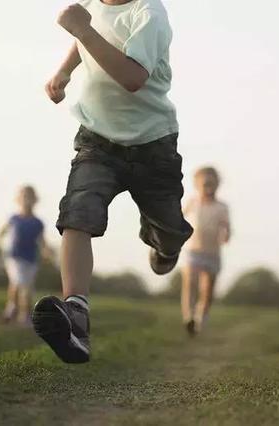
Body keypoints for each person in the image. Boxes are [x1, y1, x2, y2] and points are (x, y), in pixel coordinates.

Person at [32, 0, 193, 364]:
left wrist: (83, 29)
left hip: (153, 146)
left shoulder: (149, 14)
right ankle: (76, 314)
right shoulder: (89, 5)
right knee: (78, 212)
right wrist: (64, 71)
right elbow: (84, 36)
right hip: (97, 140)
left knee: (169, 229)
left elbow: (133, 77)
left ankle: (164, 245)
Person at [0, 186, 52, 326]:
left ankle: (22, 314)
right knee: (20, 282)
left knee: (26, 286)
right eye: (24, 196)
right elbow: (2, 231)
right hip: (14, 257)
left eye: (29, 197)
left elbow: (42, 240)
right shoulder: (13, 218)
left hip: (30, 258)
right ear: (18, 199)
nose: (26, 200)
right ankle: (12, 309)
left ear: (35, 200)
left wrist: (46, 250)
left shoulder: (38, 222)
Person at [181, 167, 230, 336]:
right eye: (205, 183)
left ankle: (201, 317)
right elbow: (179, 219)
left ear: (217, 185)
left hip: (212, 253)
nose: (208, 186)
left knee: (207, 291)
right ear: (197, 184)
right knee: (190, 283)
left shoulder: (222, 207)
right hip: (193, 250)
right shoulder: (192, 203)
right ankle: (189, 318)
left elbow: (226, 226)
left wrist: (226, 235)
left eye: (212, 183)